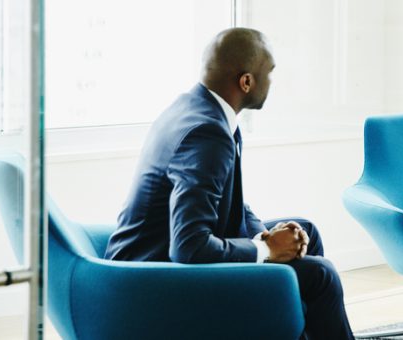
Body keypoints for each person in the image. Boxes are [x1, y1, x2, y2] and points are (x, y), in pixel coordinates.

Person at [104, 28, 354, 339]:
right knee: (321, 274)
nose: (273, 83)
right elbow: (188, 247)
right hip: (152, 283)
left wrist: (268, 236)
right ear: (246, 81)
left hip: (161, 262)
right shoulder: (207, 132)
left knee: (305, 231)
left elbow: (230, 201)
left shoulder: (198, 110)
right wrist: (265, 248)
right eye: (270, 73)